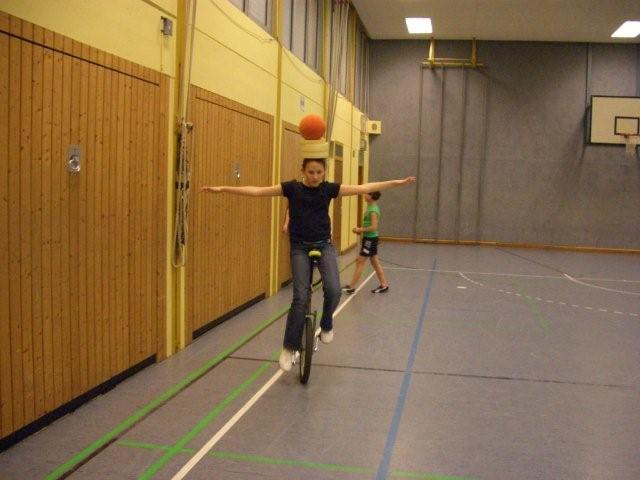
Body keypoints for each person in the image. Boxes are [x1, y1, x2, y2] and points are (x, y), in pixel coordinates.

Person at [200, 158, 415, 372]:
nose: (315, 177)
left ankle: (327, 324)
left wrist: (397, 183)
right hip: (299, 248)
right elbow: (258, 191)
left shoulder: (329, 189)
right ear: (302, 170)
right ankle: (289, 347)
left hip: (324, 245)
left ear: (324, 172)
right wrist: (224, 189)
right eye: (311, 172)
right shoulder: (292, 188)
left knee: (334, 289)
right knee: (300, 297)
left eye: (319, 172)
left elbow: (364, 187)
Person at [342, 191, 389, 294]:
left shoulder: (373, 210)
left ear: (371, 196)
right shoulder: (370, 207)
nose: (364, 195)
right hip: (368, 238)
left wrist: (360, 230)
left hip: (370, 240)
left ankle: (352, 287)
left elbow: (374, 227)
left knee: (360, 261)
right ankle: (384, 284)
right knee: (374, 262)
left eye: (367, 194)